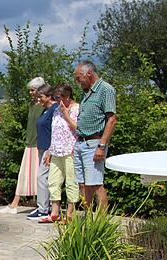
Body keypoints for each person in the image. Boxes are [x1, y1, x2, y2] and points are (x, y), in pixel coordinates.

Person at [0, 77, 45, 214]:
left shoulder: (44, 106)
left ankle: (36, 205)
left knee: (38, 176)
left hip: (38, 144)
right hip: (29, 144)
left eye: (33, 90)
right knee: (24, 174)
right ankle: (15, 204)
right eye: (29, 90)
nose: (30, 93)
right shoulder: (33, 105)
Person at [73, 60, 117, 209]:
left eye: (79, 78)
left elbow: (111, 120)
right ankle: (88, 222)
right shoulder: (86, 92)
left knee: (96, 184)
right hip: (81, 142)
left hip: (94, 142)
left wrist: (101, 146)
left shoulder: (105, 89)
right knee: (83, 184)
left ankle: (101, 223)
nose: (78, 82)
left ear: (89, 73)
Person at [40, 83, 80, 223]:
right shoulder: (56, 109)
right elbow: (55, 132)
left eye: (59, 97)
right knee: (53, 181)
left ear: (67, 96)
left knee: (71, 182)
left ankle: (70, 214)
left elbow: (77, 128)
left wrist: (66, 114)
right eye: (55, 97)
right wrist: (50, 151)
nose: (57, 100)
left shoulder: (76, 109)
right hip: (56, 150)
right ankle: (55, 212)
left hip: (71, 150)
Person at [26, 84, 57, 220]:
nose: (38, 100)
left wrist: (51, 149)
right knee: (45, 177)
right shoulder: (46, 110)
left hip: (49, 149)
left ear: (49, 97)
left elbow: (56, 131)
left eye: (41, 97)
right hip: (42, 148)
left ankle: (43, 209)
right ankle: (46, 206)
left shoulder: (54, 109)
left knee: (42, 177)